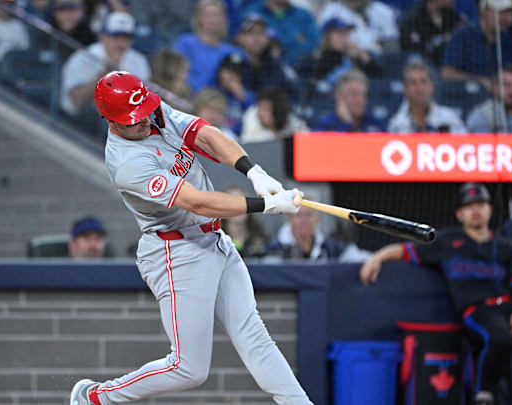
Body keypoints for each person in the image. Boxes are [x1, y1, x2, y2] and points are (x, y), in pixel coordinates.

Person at [69, 71, 311, 404]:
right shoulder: (127, 163)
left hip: (213, 239)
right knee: (188, 369)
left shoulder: (152, 110)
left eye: (144, 112)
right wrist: (266, 204)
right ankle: (96, 398)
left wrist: (254, 172)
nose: (144, 121)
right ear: (111, 122)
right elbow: (195, 199)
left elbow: (204, 134)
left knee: (254, 337)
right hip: (176, 250)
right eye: (133, 119)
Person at [359, 182, 512, 405]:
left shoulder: (508, 247)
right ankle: (483, 395)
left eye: (481, 204)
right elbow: (403, 250)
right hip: (477, 312)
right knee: (499, 336)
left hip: (509, 310)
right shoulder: (447, 242)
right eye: (469, 206)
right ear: (459, 214)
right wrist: (376, 257)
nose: (476, 210)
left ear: (490, 210)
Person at [60, 11, 150, 117]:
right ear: (103, 37)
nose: (121, 43)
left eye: (126, 37)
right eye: (115, 36)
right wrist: (104, 77)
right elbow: (75, 101)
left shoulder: (138, 61)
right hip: (78, 120)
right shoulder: (84, 57)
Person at [440, 0, 512, 91]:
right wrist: (483, 82)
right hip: (469, 98)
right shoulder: (463, 37)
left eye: (510, 13)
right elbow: (447, 74)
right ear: (483, 10)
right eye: (501, 12)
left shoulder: (508, 41)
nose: (508, 18)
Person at [266, 193, 369, 261]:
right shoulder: (274, 248)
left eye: (309, 214)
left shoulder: (330, 247)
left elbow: (360, 258)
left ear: (318, 217)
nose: (304, 220)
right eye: (298, 215)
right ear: (289, 218)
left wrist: (376, 259)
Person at [173, 0, 242, 92]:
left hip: (219, 102)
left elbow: (243, 93)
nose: (213, 19)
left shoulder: (233, 53)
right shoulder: (185, 44)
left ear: (224, 19)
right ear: (198, 18)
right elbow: (173, 76)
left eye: (217, 15)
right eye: (208, 15)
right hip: (186, 99)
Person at [297, 17, 383, 88]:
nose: (344, 38)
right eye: (339, 34)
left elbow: (378, 76)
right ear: (327, 37)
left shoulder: (352, 58)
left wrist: (361, 53)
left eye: (346, 34)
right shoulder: (314, 60)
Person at [388, 59, 467, 133]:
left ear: (432, 86)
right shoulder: (396, 124)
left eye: (424, 81)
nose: (419, 87)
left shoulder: (449, 118)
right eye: (413, 82)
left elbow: (464, 145)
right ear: (405, 88)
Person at [233, 13, 297, 97]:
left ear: (267, 38)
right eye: (251, 33)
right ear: (239, 37)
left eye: (261, 33)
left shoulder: (274, 65)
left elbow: (290, 94)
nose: (257, 38)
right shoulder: (232, 63)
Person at [242, 0, 319, 66]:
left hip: (300, 68)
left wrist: (282, 51)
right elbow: (243, 44)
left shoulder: (304, 15)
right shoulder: (252, 12)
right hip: (262, 68)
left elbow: (314, 45)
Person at [311, 69, 385, 132]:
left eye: (364, 95)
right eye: (354, 94)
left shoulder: (375, 124)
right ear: (339, 96)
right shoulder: (325, 125)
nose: (361, 100)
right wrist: (346, 124)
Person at [316, 0, 399, 56]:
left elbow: (391, 46)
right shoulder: (332, 10)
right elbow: (324, 42)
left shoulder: (382, 10)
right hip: (343, 57)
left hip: (373, 59)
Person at [399, 0, 462, 67]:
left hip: (451, 68)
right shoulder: (412, 21)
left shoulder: (453, 16)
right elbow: (414, 55)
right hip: (425, 70)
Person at [240, 87, 310, 143]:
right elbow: (248, 147)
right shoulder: (252, 119)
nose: (261, 113)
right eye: (260, 108)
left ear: (277, 110)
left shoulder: (291, 122)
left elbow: (306, 140)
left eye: (266, 109)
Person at [220, 185, 269, 258]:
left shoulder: (261, 237)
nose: (239, 207)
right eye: (232, 203)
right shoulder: (216, 240)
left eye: (243, 202)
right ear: (222, 209)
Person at [216, 53, 256, 135]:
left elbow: (255, 119)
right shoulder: (212, 92)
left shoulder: (248, 96)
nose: (231, 76)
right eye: (228, 71)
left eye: (237, 73)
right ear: (220, 72)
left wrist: (243, 98)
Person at [149, 48, 193, 112]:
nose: (187, 75)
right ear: (171, 71)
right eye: (183, 70)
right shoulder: (150, 91)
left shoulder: (185, 94)